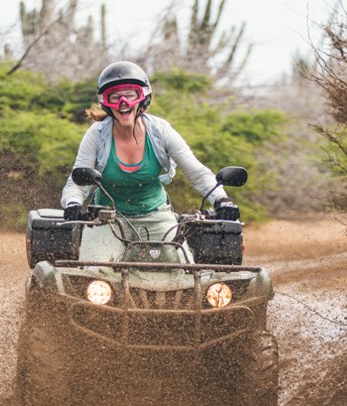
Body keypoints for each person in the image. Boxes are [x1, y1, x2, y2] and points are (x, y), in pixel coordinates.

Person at [60, 61, 240, 262]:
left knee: (183, 270)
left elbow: (197, 173)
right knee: (95, 274)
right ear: (105, 102)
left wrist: (221, 200)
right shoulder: (96, 134)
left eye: (130, 95)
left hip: (157, 216)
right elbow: (76, 182)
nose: (123, 103)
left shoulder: (161, 131)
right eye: (115, 97)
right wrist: (73, 204)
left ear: (143, 97)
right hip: (107, 219)